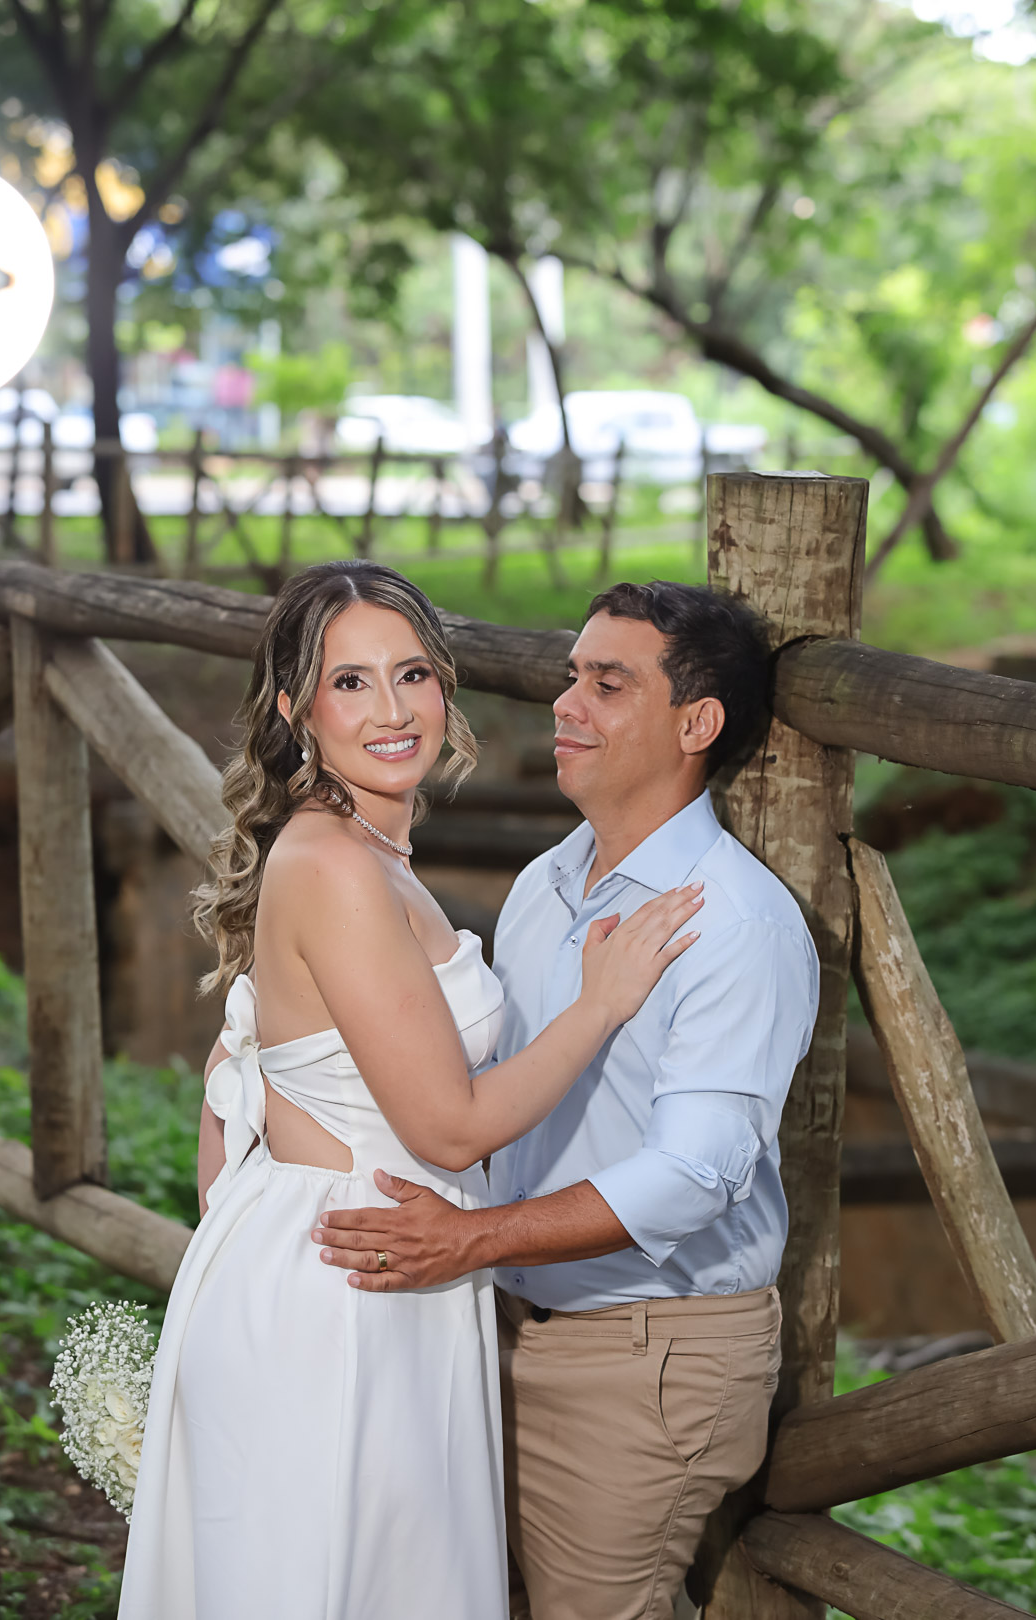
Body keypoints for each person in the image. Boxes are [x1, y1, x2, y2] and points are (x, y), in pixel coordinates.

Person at [117, 561, 702, 1620]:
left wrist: (246, 1218)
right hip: (348, 1288)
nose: (391, 711)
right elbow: (446, 1126)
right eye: (350, 683)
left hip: (367, 1263)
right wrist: (600, 1004)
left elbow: (232, 1062)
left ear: (444, 686)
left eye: (412, 674)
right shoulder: (335, 866)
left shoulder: (362, 848)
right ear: (295, 710)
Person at [312, 579, 820, 1620]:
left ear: (696, 724)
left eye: (607, 684)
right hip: (494, 1319)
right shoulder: (549, 882)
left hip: (644, 1353)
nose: (565, 703)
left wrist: (470, 1240)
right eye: (570, 675)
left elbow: (692, 1177)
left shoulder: (738, 927)